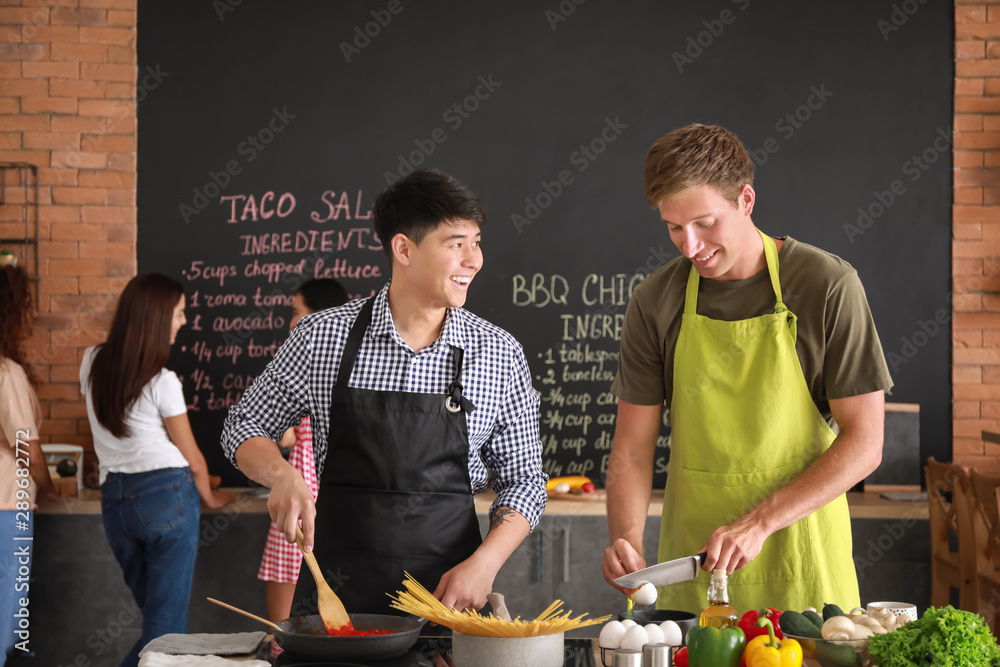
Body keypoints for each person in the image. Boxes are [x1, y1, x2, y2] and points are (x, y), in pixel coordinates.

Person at [222, 168, 547, 617]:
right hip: (335, 600)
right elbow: (244, 425)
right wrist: (281, 475)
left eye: (476, 242)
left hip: (445, 602)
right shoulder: (322, 337)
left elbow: (525, 481)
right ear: (403, 249)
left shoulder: (498, 353)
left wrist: (485, 565)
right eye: (456, 244)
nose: (475, 260)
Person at [601, 124, 893, 614]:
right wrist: (626, 541)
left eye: (705, 222)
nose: (690, 245)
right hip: (694, 570)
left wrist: (759, 523)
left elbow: (865, 442)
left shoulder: (827, 285)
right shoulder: (655, 301)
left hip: (803, 568)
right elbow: (631, 449)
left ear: (746, 199)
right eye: (674, 227)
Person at [80, 273, 234, 667]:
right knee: (167, 638)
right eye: (179, 313)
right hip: (166, 496)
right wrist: (212, 497)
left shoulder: (91, 361)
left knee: (158, 629)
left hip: (115, 502)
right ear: (155, 316)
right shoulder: (163, 381)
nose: (184, 322)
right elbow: (193, 457)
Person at [257, 278, 347, 656]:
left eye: (296, 313)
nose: (292, 323)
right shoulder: (350, 360)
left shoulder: (301, 363)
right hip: (337, 493)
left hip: (299, 491)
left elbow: (283, 438)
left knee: (284, 630)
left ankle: (282, 652)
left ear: (319, 316)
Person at [0, 265, 57, 665]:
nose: (32, 315)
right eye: (26, 305)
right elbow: (28, 451)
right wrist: (50, 486)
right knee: (4, 613)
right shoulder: (6, 373)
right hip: (7, 508)